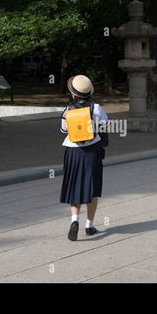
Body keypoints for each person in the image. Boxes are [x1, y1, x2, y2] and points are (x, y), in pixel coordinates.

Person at [59, 75, 108, 241]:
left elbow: (64, 130)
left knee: (75, 186)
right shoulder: (97, 108)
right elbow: (104, 127)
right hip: (92, 151)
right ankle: (89, 225)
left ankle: (74, 220)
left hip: (73, 152)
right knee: (92, 188)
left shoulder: (68, 111)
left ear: (74, 94)